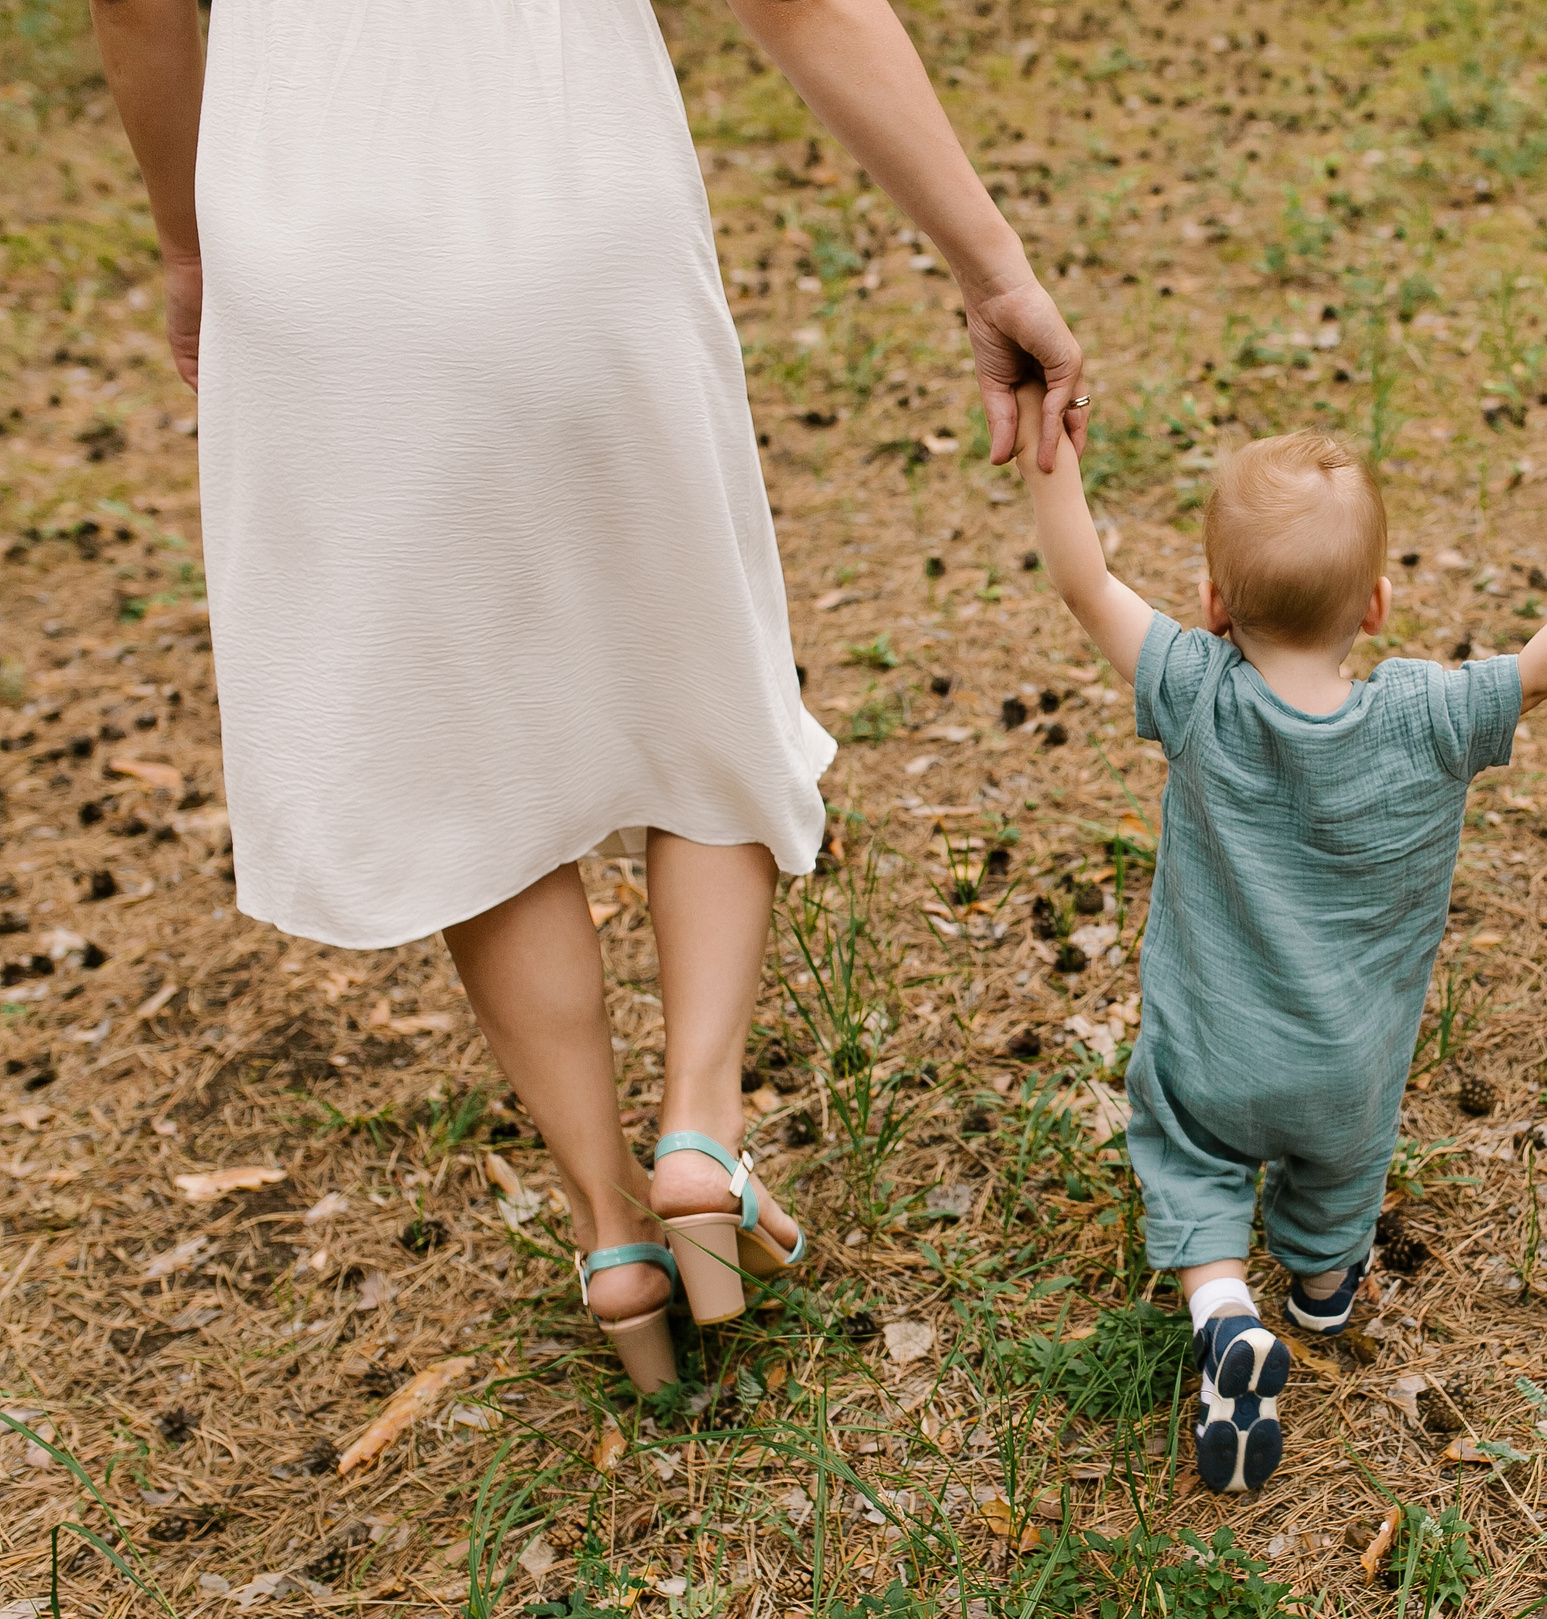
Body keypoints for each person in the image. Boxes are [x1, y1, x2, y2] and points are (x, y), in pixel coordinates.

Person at [88, 0, 1087, 1391]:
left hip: (309, 247)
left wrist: (195, 245)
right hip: (580, 200)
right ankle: (698, 1128)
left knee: (461, 748)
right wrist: (992, 266)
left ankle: (614, 1226)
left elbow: (138, 10)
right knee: (694, 679)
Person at [1010, 380, 1547, 1491]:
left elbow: (1082, 580)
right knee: (1339, 1180)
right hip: (1346, 1074)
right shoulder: (1428, 718)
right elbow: (1545, 666)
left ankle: (1223, 1305)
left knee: (1187, 1151)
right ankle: (1321, 1296)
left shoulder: (1195, 690)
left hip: (1213, 1056)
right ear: (1375, 604)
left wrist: (1055, 454)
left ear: (1214, 602)